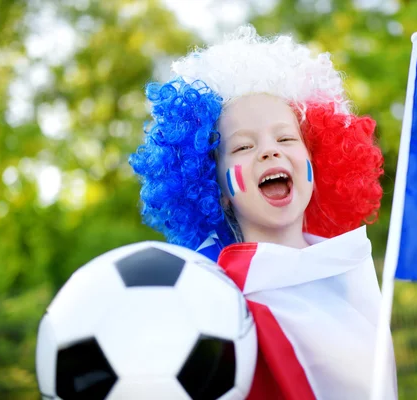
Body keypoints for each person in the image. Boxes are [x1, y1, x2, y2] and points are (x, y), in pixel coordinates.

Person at [130, 25, 398, 399]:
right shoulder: (208, 296)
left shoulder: (351, 268)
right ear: (216, 188)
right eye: (243, 147)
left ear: (315, 161)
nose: (270, 151)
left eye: (286, 138)